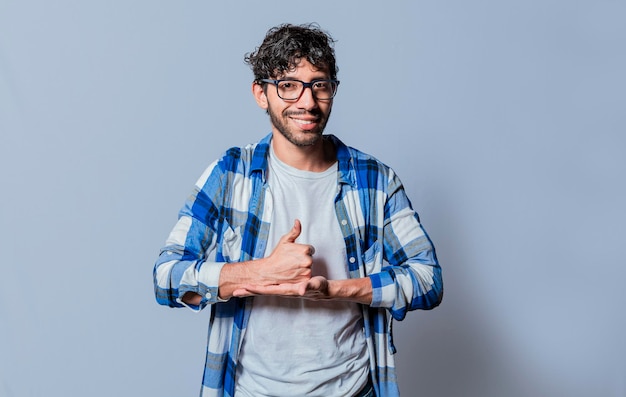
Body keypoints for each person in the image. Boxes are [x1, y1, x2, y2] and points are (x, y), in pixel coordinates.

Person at [153, 23, 443, 397]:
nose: (307, 102)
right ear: (262, 93)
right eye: (289, 85)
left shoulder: (375, 180)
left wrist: (339, 290)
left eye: (319, 84)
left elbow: (428, 280)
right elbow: (167, 277)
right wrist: (260, 271)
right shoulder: (230, 173)